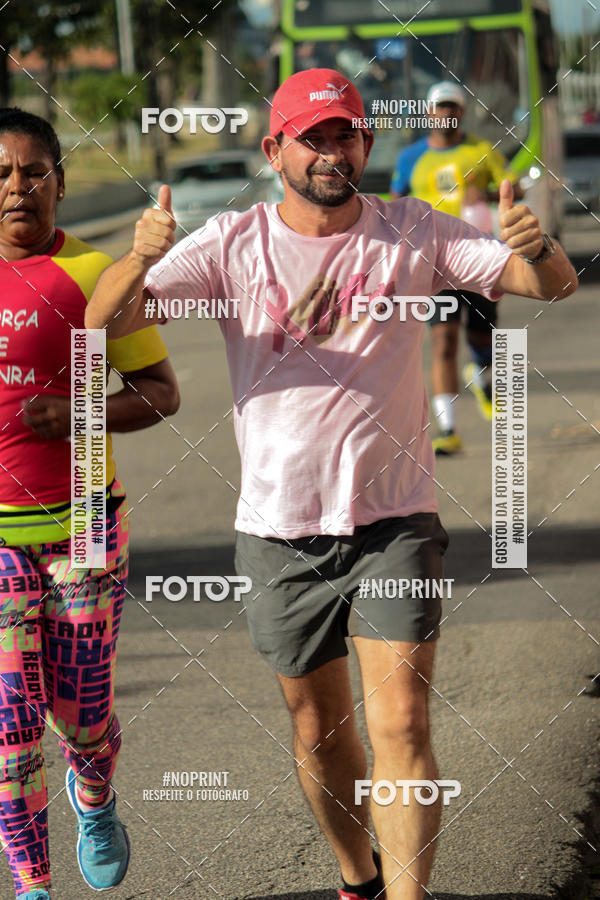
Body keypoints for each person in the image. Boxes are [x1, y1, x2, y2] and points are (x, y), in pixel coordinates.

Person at [86, 68, 577, 900]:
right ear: (275, 148)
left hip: (395, 523)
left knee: (403, 723)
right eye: (311, 137)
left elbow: (550, 286)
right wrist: (138, 260)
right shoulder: (232, 245)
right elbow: (100, 325)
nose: (330, 150)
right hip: (278, 530)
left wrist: (538, 245)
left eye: (344, 133)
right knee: (319, 731)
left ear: (366, 141)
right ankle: (359, 877)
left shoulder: (411, 231)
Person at [0, 108, 180, 899]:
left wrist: (80, 412)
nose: (17, 187)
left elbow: (161, 393)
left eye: (33, 171)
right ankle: (33, 886)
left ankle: (95, 792)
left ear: (60, 184)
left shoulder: (97, 276)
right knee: (9, 730)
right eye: (2, 174)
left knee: (79, 715)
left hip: (82, 523)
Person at [391, 81, 523, 455]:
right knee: (443, 342)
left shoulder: (481, 151)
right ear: (429, 113)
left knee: (483, 339)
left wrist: (489, 194)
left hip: (477, 259)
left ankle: (482, 377)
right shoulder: (410, 157)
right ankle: (448, 430)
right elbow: (395, 205)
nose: (446, 113)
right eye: (440, 107)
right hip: (432, 265)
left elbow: (514, 190)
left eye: (453, 107)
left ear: (461, 112)